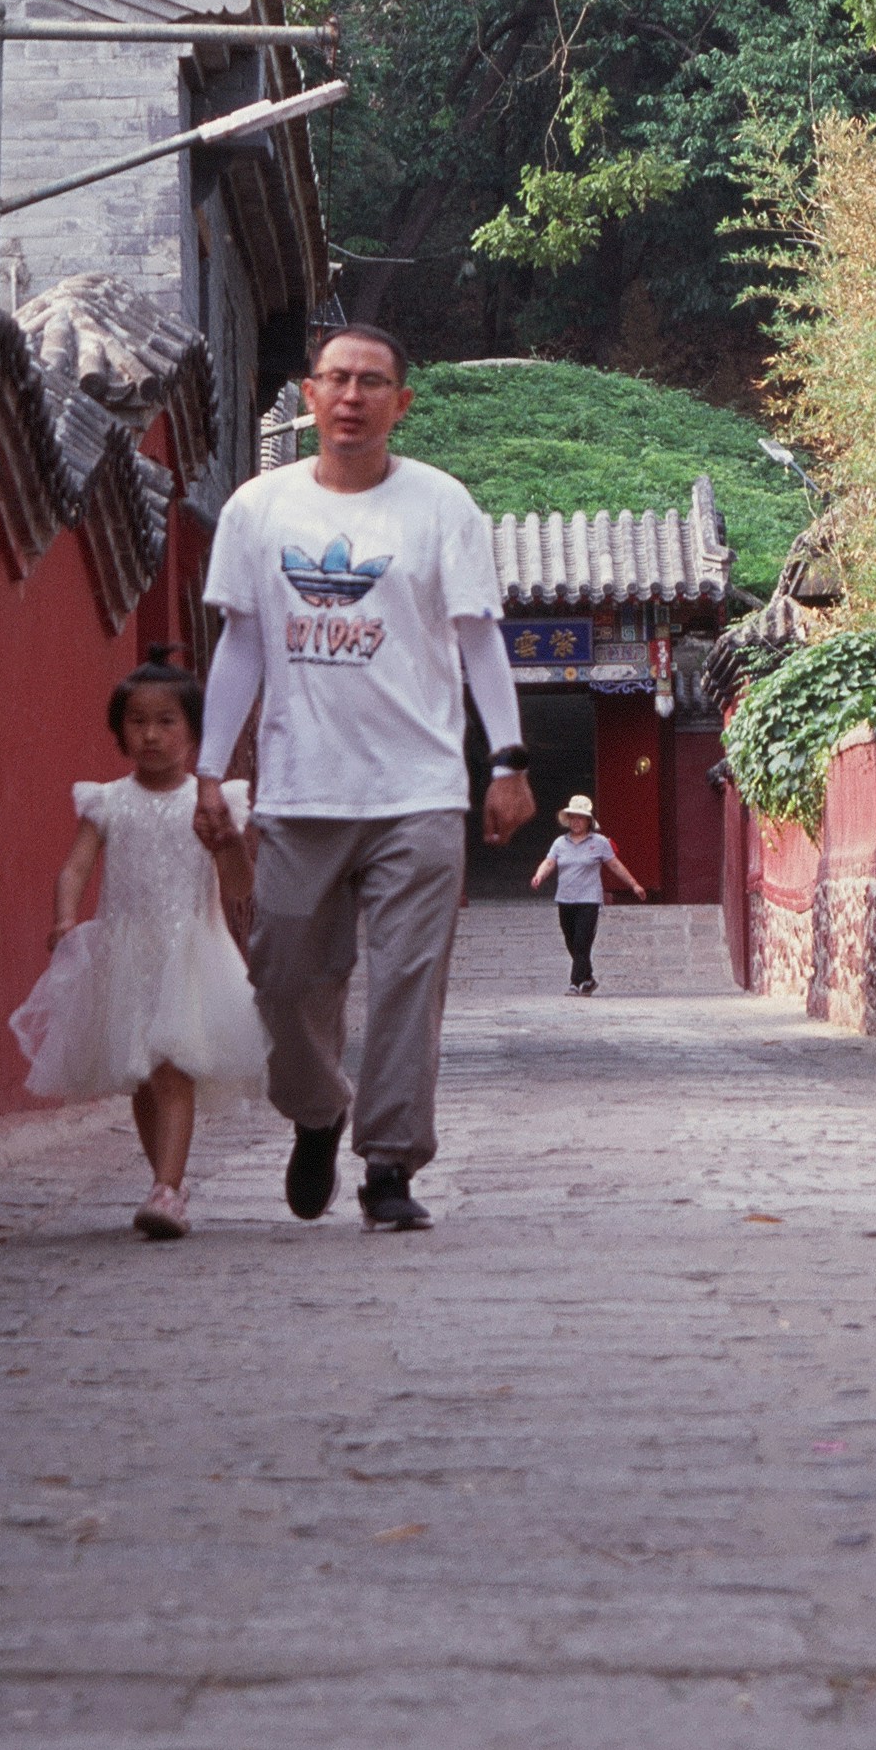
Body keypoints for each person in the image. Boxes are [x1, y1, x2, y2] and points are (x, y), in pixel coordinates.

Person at [199, 318, 534, 1233]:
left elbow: (478, 640)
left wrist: (507, 759)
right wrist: (206, 772)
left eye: (372, 381)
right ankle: (317, 1111)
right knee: (283, 976)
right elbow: (241, 642)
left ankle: (390, 1163)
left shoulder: (440, 507)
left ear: (402, 402)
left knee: (407, 982)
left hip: (419, 790)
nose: (352, 396)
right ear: (308, 396)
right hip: (301, 789)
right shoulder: (257, 510)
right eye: (336, 379)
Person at [10, 659, 267, 1242]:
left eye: (166, 722)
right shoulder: (107, 802)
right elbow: (76, 868)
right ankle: (165, 1181)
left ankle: (168, 1189)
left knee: (173, 1069)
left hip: (191, 955)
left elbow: (238, 886)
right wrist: (64, 917)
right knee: (144, 1079)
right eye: (137, 722)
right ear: (119, 730)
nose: (151, 735)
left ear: (194, 731)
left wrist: (227, 843)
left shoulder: (212, 804)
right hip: (127, 957)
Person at [539, 794, 644, 994]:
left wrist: (634, 885)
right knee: (571, 941)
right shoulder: (560, 843)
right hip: (565, 899)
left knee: (582, 940)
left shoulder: (600, 842)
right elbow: (549, 862)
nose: (576, 822)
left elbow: (614, 865)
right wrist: (539, 876)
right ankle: (588, 979)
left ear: (588, 821)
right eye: (573, 817)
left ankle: (575, 982)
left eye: (580, 818)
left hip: (588, 900)